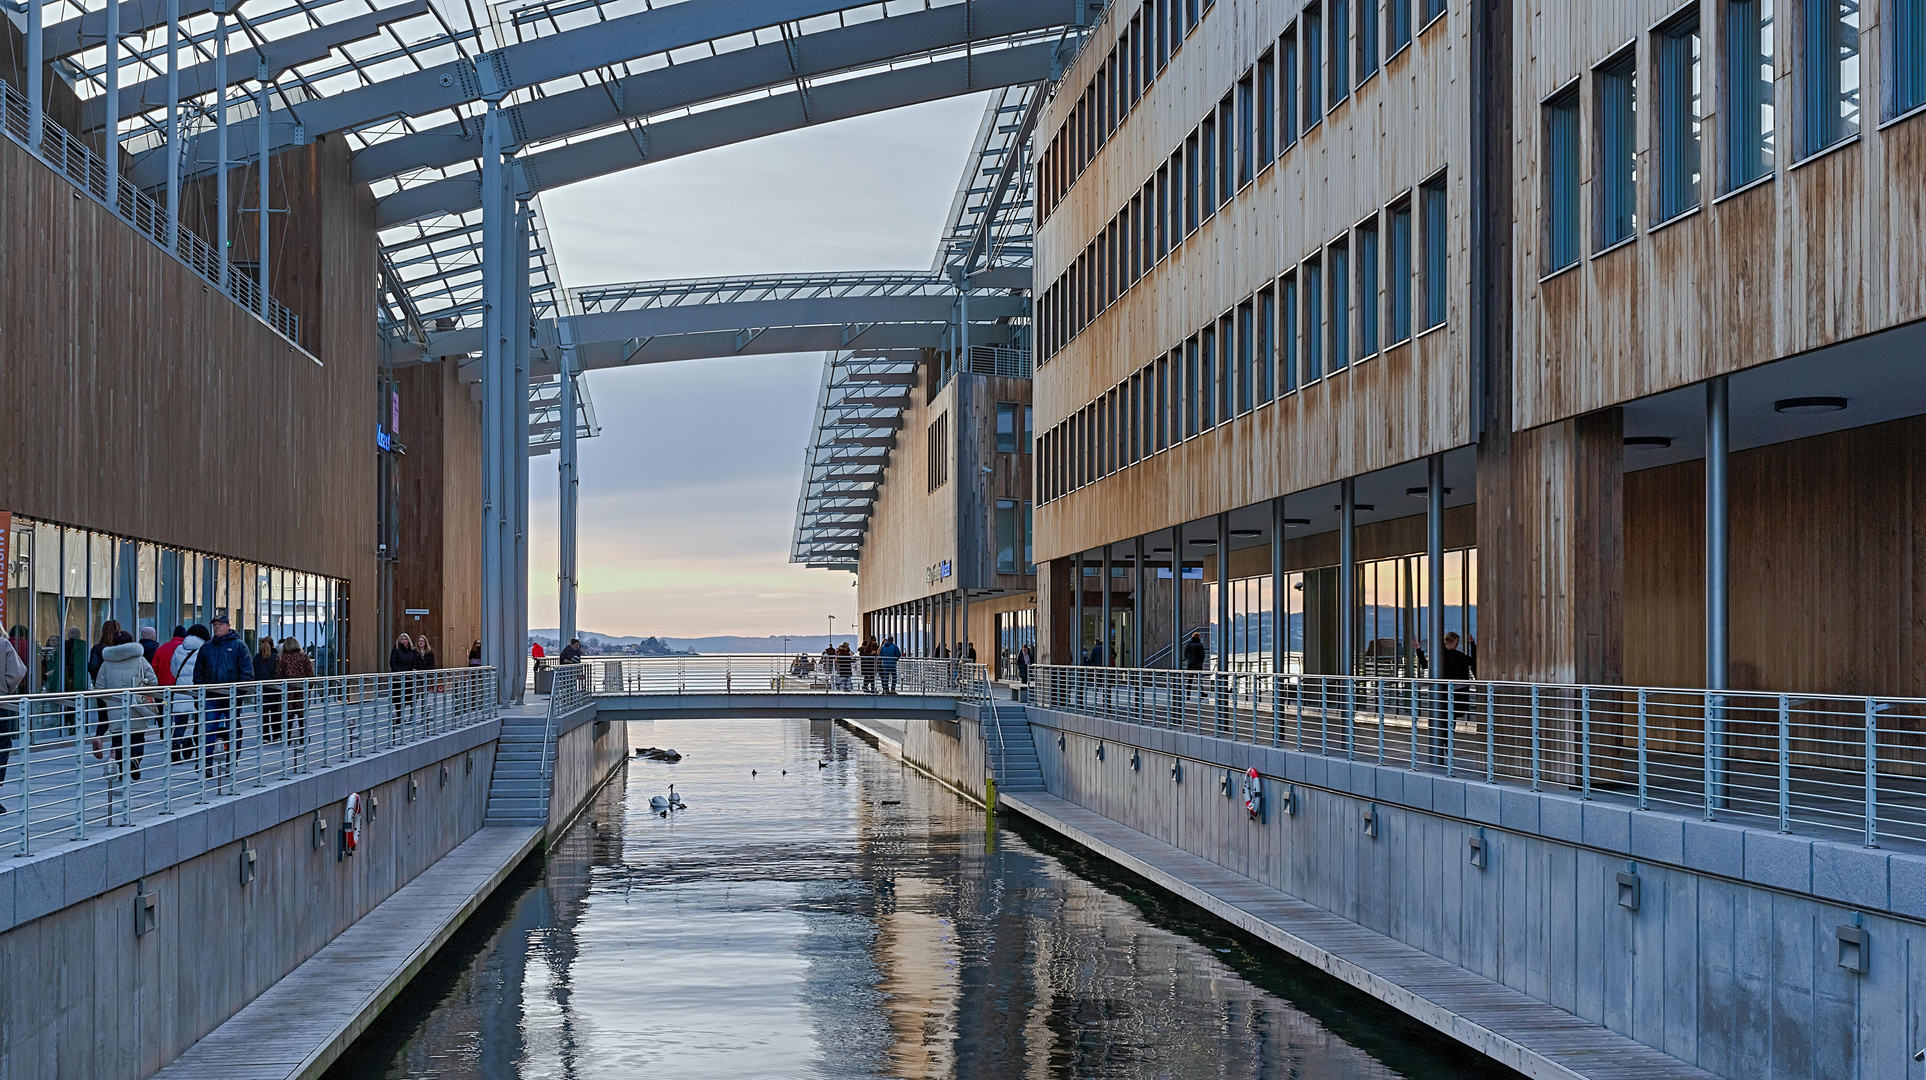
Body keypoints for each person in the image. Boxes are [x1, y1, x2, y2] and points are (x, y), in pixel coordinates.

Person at [193, 616, 254, 777]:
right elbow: (198, 673)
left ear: (228, 626)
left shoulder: (239, 647)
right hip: (211, 696)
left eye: (220, 625)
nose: (217, 628)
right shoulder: (207, 648)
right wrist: (199, 694)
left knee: (233, 729)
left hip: (231, 697)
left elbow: (247, 674)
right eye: (214, 625)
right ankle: (206, 763)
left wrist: (238, 694)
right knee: (208, 729)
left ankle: (231, 761)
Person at [92, 631, 156, 783]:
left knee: (118, 740)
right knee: (137, 737)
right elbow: (153, 680)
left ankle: (121, 770)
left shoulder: (106, 663)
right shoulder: (140, 660)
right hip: (136, 706)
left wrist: (110, 700)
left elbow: (99, 687)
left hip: (115, 708)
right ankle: (135, 760)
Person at [167, 625, 209, 765]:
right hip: (197, 689)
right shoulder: (204, 649)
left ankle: (175, 746)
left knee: (181, 721)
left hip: (181, 688)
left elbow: (173, 669)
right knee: (200, 719)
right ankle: (194, 744)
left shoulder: (179, 649)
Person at [0, 629, 26, 814]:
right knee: (1, 745)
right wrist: (6, 689)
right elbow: (18, 672)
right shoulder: (3, 645)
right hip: (0, 703)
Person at [276, 638, 315, 745]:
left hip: (287, 690)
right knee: (302, 714)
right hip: (302, 689)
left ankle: (287, 738)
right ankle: (304, 736)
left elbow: (278, 675)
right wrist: (309, 688)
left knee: (288, 715)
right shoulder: (303, 657)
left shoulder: (282, 658)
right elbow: (310, 674)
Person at [255, 636, 284, 741]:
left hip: (261, 689)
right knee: (276, 713)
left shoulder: (257, 658)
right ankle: (276, 735)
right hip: (275, 688)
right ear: (272, 645)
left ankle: (265, 736)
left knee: (264, 714)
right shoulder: (276, 657)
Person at [390, 633, 420, 725]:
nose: (404, 641)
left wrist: (413, 670)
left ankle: (405, 716)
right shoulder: (396, 650)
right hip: (399, 677)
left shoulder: (411, 651)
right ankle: (398, 717)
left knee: (408, 697)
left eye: (405, 639)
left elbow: (415, 661)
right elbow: (393, 662)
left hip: (409, 677)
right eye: (402, 639)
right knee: (398, 698)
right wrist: (398, 671)